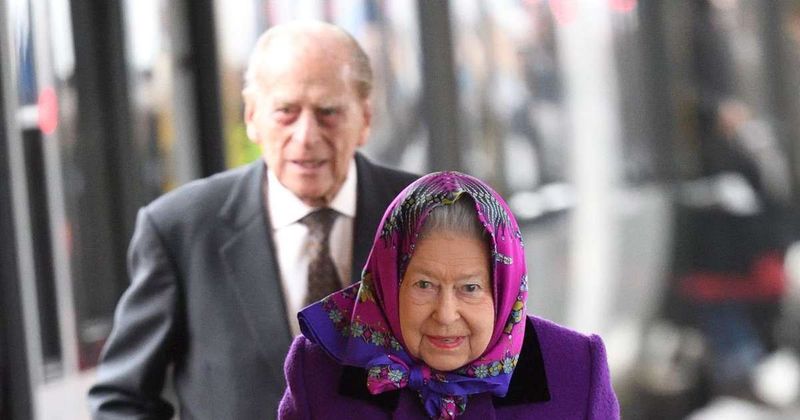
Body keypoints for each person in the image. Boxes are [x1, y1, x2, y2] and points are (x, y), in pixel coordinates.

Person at [87, 21, 416, 419]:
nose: (306, 135)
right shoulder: (180, 230)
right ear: (252, 116)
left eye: (328, 112)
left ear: (365, 118)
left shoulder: (424, 217)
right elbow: (122, 401)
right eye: (285, 112)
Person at [279, 172, 619, 419]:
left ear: (504, 290)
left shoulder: (574, 369)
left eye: (469, 288)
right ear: (387, 282)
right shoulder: (321, 371)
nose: (445, 314)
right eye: (424, 285)